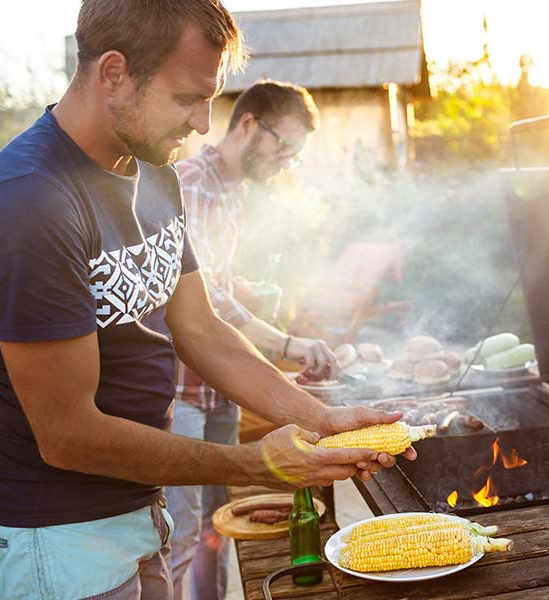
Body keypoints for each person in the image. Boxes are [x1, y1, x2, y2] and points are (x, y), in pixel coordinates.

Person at [0, 2, 413, 599]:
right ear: (113, 72)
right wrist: (255, 465)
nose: (202, 124)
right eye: (186, 99)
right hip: (56, 537)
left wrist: (318, 419)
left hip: (140, 510)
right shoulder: (31, 204)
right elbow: (68, 434)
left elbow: (200, 326)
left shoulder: (155, 172)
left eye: (211, 99)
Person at [168, 80, 333, 600]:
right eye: (284, 146)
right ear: (247, 125)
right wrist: (288, 345)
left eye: (294, 155)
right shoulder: (192, 183)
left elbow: (207, 276)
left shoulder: (231, 190)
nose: (286, 162)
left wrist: (248, 289)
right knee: (182, 536)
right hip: (182, 389)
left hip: (218, 388)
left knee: (216, 526)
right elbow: (204, 305)